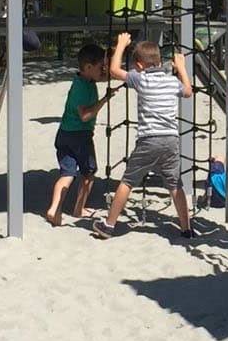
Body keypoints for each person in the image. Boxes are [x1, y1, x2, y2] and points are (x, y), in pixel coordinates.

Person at [93, 32, 196, 239]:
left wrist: (121, 44)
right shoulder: (170, 81)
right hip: (171, 139)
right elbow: (188, 91)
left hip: (149, 139)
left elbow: (114, 70)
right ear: (159, 62)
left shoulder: (142, 80)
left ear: (139, 66)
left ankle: (109, 225)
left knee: (128, 181)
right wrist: (182, 68)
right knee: (175, 183)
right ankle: (186, 228)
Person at [43, 42, 115, 226]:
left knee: (67, 174)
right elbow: (85, 115)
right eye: (101, 67)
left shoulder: (82, 79)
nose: (104, 70)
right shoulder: (83, 88)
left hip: (64, 134)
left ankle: (54, 208)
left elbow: (107, 75)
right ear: (89, 67)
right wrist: (104, 100)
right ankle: (79, 208)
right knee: (89, 173)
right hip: (80, 136)